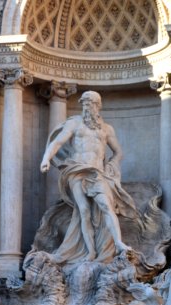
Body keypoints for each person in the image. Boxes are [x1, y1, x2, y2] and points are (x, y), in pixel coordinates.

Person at [40, 91, 138, 264]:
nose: (86, 107)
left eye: (89, 103)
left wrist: (112, 165)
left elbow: (118, 152)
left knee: (106, 206)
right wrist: (46, 158)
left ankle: (118, 243)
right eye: (84, 104)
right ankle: (90, 251)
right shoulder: (74, 123)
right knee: (84, 210)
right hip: (77, 170)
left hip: (97, 172)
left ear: (98, 105)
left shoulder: (107, 129)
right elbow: (58, 142)